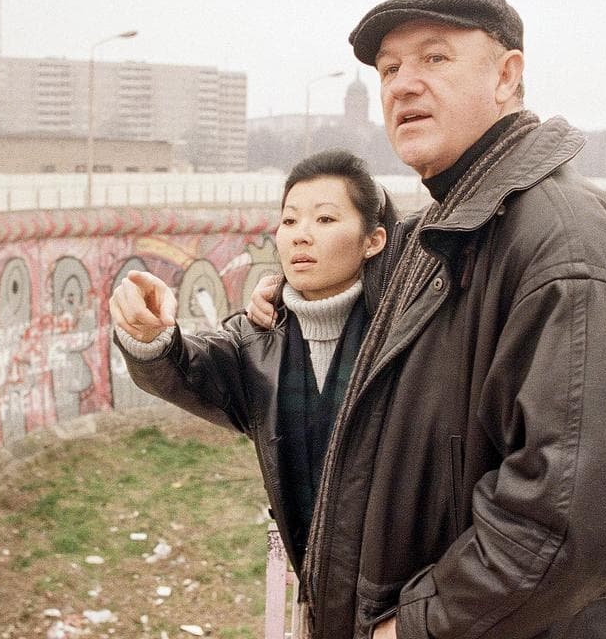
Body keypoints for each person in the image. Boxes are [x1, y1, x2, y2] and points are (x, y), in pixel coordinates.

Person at [251, 0, 606, 639]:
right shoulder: (442, 231)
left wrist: (418, 625)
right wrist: (286, 295)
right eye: (390, 70)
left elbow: (582, 513)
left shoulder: (565, 240)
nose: (403, 85)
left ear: (507, 77)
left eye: (435, 58)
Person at [109, 149, 397, 576]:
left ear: (373, 240)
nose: (301, 235)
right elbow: (187, 369)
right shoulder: (258, 342)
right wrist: (150, 335)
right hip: (317, 582)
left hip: (405, 590)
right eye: (290, 220)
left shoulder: (407, 331)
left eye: (326, 219)